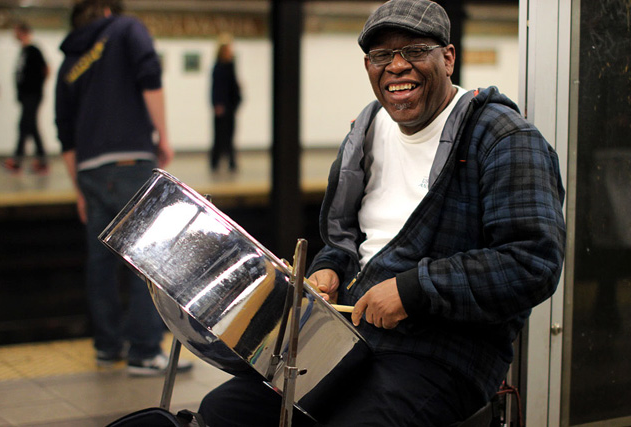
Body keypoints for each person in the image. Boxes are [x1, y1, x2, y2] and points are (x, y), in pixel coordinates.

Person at [198, 0, 566, 425]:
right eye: (381, 55)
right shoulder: (366, 131)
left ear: (448, 58)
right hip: (347, 340)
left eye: (414, 51)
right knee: (225, 411)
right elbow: (344, 241)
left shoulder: (504, 139)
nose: (396, 66)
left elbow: (532, 262)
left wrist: (414, 291)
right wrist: (330, 269)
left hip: (443, 353)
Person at [55, 0, 192, 376]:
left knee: (100, 264)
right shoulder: (126, 28)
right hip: (130, 161)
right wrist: (162, 137)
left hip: (88, 171)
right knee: (147, 258)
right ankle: (145, 352)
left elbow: (64, 130)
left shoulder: (69, 61)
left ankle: (107, 347)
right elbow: (149, 75)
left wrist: (79, 189)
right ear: (105, 10)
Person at [4, 21, 49, 174]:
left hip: (32, 96)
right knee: (31, 127)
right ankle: (42, 161)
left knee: (24, 126)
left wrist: (36, 88)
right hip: (27, 97)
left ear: (22, 32)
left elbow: (46, 69)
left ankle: (17, 161)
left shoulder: (33, 50)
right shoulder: (23, 51)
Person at [210, 36, 241, 172]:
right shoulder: (219, 67)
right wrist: (217, 103)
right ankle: (216, 161)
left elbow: (233, 86)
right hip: (222, 107)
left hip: (230, 106)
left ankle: (231, 161)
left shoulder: (230, 66)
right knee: (220, 135)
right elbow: (217, 88)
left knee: (230, 135)